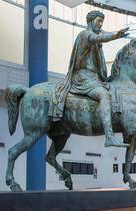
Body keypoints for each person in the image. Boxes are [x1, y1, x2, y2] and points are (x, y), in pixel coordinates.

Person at [51, 10, 130, 148]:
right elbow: (99, 38)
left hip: (94, 78)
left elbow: (103, 34)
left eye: (102, 22)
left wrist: (116, 34)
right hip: (83, 77)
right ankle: (110, 136)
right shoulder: (85, 35)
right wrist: (116, 35)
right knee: (104, 95)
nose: (100, 25)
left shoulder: (95, 34)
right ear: (91, 21)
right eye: (98, 21)